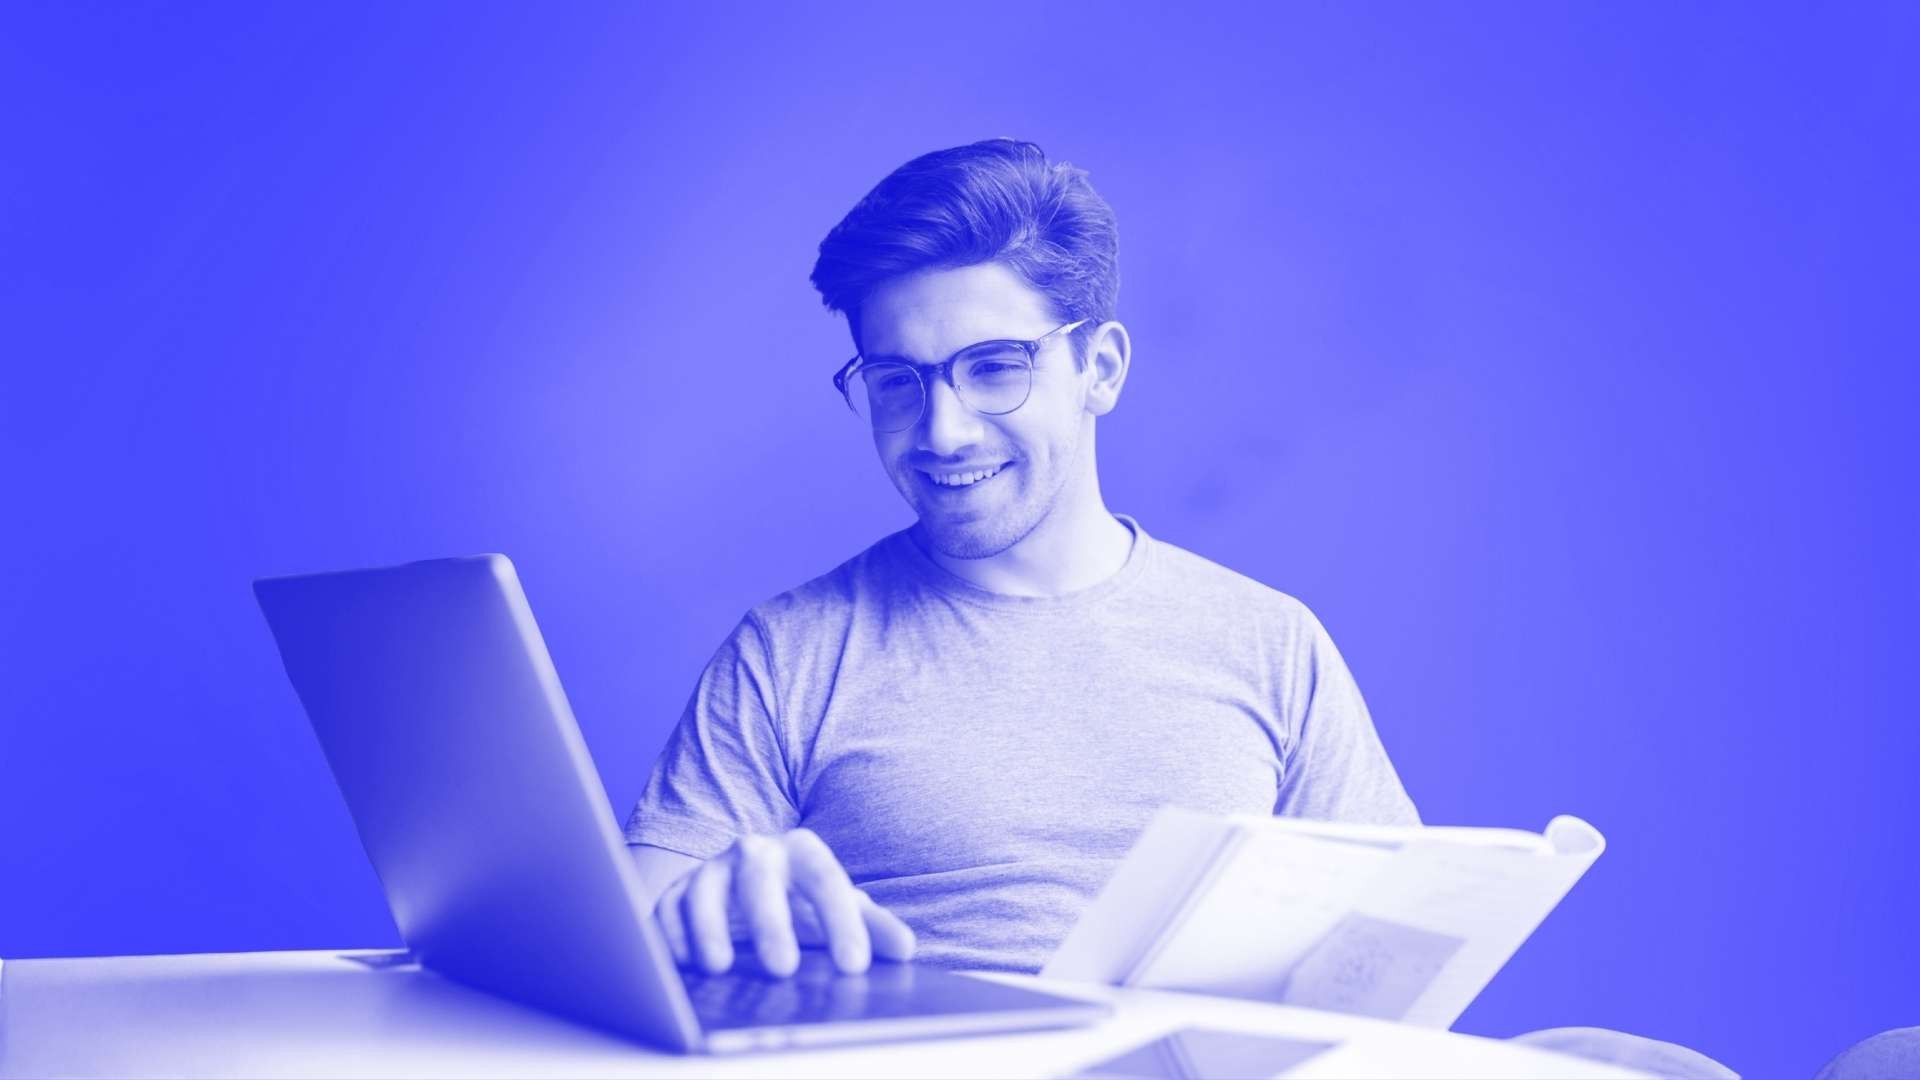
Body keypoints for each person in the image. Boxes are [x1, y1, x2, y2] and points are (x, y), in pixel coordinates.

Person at [624, 137, 1417, 980]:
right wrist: (705, 912)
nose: (942, 431)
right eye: (898, 380)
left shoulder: (1273, 644)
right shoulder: (789, 653)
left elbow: (1395, 952)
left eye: (996, 367)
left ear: (1100, 369)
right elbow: (627, 948)